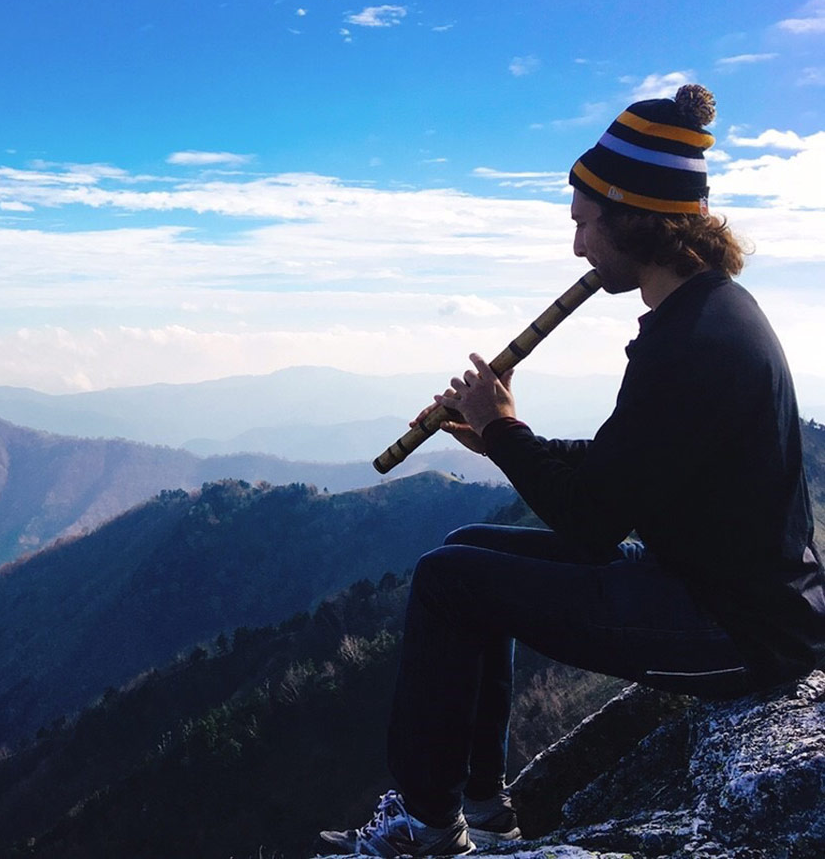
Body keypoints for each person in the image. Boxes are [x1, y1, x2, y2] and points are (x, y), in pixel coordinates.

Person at [313, 84, 825, 858]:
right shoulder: (710, 313)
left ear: (636, 218)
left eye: (586, 223)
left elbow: (591, 523)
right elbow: (630, 467)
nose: (579, 247)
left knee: (449, 582)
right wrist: (505, 440)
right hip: (728, 599)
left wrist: (508, 431)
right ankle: (481, 811)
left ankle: (428, 829)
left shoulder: (689, 346)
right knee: (459, 548)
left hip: (737, 631)